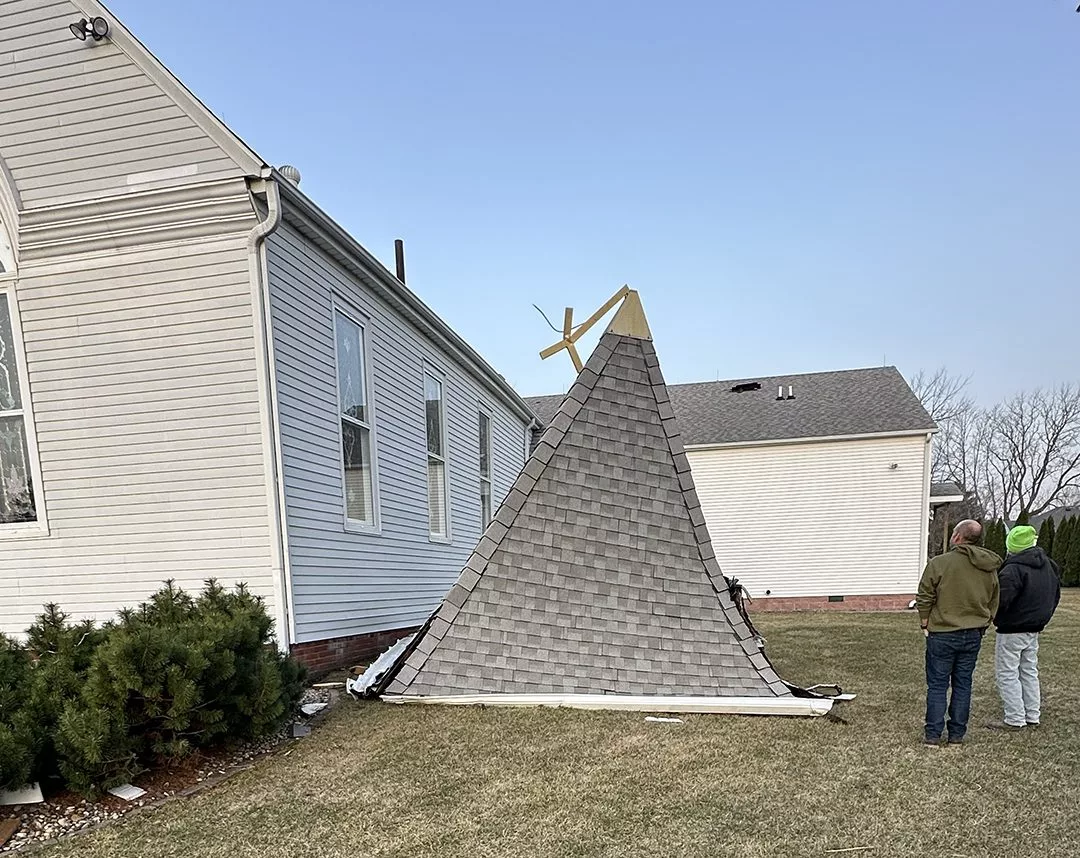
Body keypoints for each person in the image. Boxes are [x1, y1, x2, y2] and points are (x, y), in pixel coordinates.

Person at [915, 519, 1001, 747]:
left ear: (957, 537)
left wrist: (925, 622)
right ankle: (956, 736)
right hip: (973, 633)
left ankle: (933, 735)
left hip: (942, 633)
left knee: (937, 685)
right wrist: (984, 623)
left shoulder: (940, 563)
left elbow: (925, 595)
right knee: (963, 684)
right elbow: (994, 599)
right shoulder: (989, 567)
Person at [988, 525, 1061, 730]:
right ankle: (1032, 714)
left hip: (1012, 629)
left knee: (1007, 672)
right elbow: (1055, 595)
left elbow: (1001, 601)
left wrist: (995, 617)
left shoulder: (1012, 569)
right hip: (1034, 628)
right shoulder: (1049, 566)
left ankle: (1014, 718)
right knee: (1028, 670)